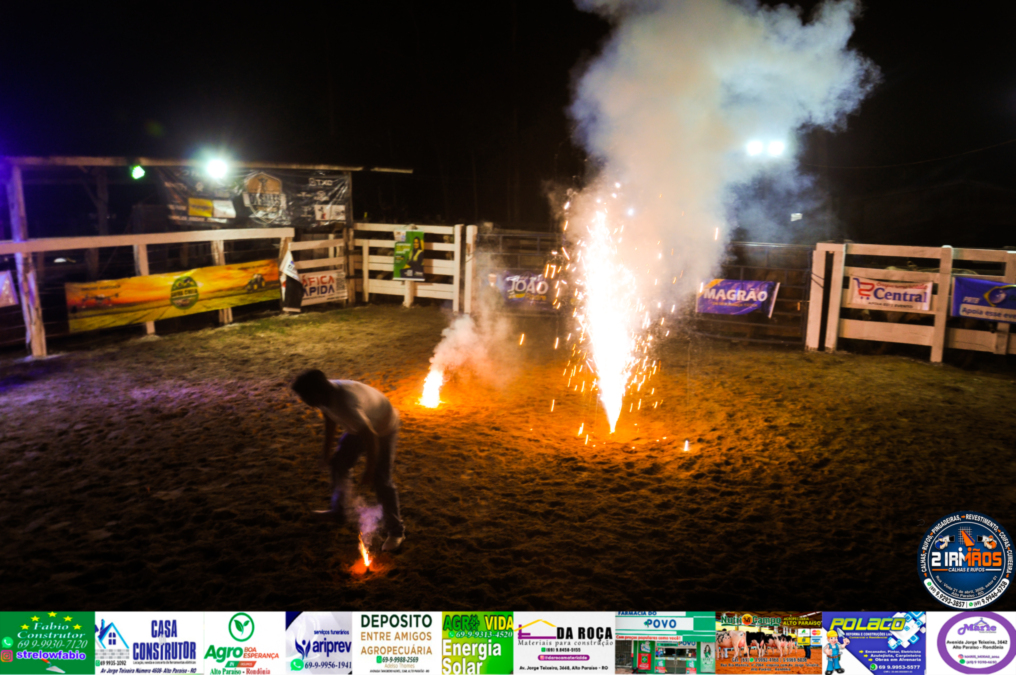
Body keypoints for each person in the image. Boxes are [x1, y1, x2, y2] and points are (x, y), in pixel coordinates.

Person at [291, 369, 405, 551]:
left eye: (304, 396)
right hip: (363, 424)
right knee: (338, 464)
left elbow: (371, 437)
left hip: (383, 426)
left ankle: (396, 532)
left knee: (381, 479)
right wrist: (326, 453)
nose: (303, 400)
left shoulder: (346, 404)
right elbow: (330, 418)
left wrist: (369, 470)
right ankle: (339, 512)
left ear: (316, 393)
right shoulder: (324, 396)